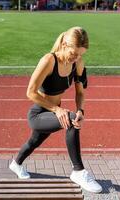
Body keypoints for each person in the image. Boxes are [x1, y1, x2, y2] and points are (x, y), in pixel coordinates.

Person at [9, 27, 102, 193]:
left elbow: (80, 92)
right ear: (65, 44)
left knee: (33, 142)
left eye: (81, 54)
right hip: (39, 113)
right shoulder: (49, 60)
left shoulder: (78, 63)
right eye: (74, 53)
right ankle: (78, 172)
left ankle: (16, 164)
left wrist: (80, 110)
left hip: (54, 111)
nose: (77, 57)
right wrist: (57, 110)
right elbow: (30, 91)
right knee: (71, 121)